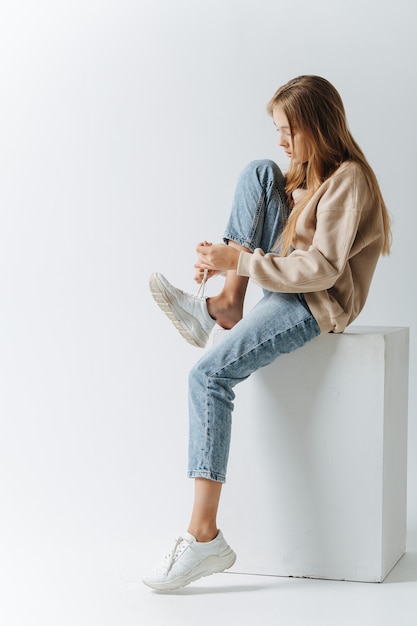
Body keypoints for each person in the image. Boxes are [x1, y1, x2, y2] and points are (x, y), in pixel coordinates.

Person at [142, 75, 391, 591]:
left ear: (317, 127)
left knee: (207, 376)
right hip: (287, 286)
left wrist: (243, 259)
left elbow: (320, 269)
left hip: (317, 302)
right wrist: (230, 263)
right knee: (258, 174)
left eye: (288, 130)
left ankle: (204, 536)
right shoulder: (302, 177)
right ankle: (224, 304)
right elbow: (278, 237)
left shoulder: (350, 180)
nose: (282, 140)